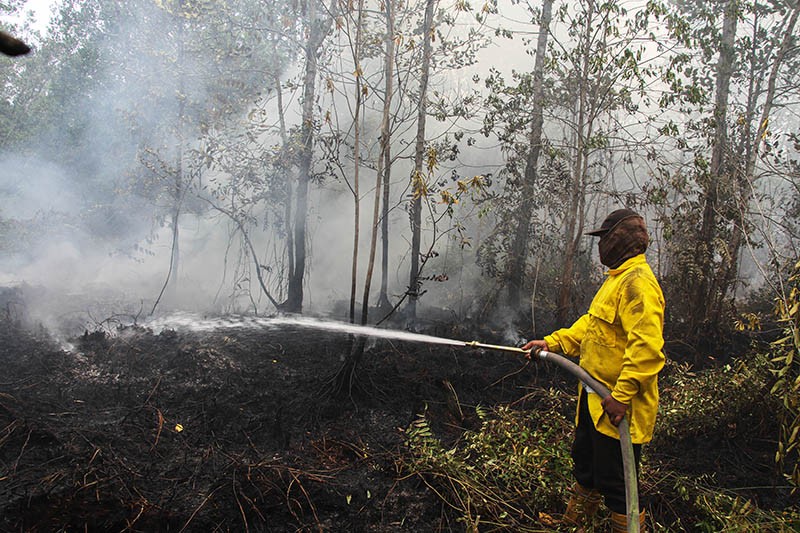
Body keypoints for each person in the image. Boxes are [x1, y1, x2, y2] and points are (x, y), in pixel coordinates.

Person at [523, 208, 665, 532]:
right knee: (586, 465)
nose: (601, 246)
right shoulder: (617, 280)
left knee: (618, 483)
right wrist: (552, 343)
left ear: (620, 240)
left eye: (605, 238)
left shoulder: (638, 284)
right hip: (594, 401)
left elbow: (647, 349)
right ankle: (575, 524)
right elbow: (591, 326)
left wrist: (621, 397)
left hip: (617, 407)